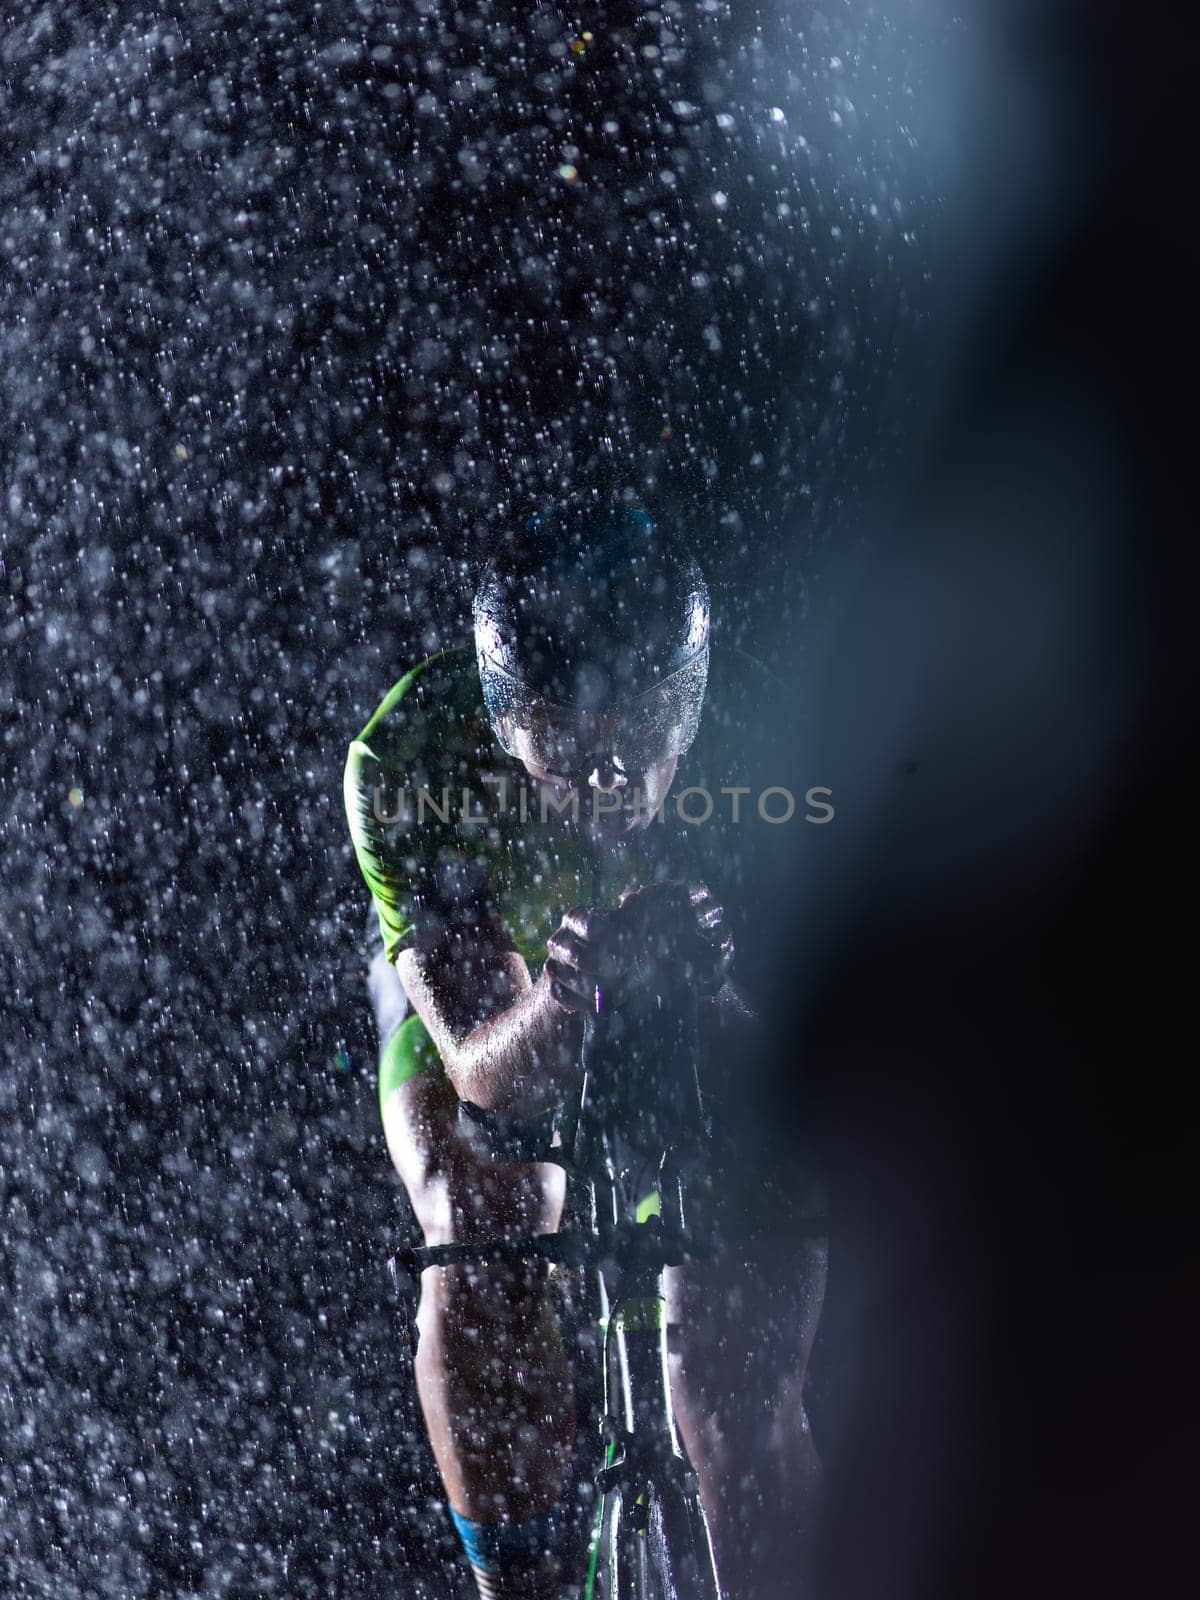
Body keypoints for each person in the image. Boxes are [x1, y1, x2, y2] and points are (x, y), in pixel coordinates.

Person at [343, 500, 827, 1599]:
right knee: (482, 1206)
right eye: (561, 742)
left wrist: (706, 993)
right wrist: (562, 1000)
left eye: (642, 739)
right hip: (500, 984)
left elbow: (813, 1052)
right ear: (502, 717)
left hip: (703, 988)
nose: (605, 783)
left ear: (694, 710)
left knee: (737, 1361)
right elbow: (476, 1065)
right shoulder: (415, 756)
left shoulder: (778, 720)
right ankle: (521, 1583)